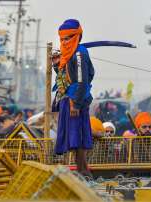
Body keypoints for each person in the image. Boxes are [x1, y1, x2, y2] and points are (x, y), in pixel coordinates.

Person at [53, 19, 95, 176]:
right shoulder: (67, 53)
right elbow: (66, 78)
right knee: (73, 137)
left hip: (74, 101)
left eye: (68, 38)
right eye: (62, 38)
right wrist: (57, 66)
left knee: (77, 137)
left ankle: (84, 172)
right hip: (67, 99)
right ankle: (81, 171)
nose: (64, 41)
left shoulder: (79, 53)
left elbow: (82, 79)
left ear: (78, 36)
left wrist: (75, 103)